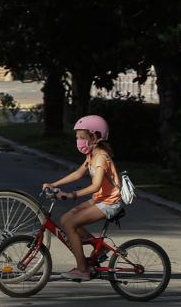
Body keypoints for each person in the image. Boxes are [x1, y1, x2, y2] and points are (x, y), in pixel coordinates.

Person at [42, 115, 123, 281]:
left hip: (110, 202)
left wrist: (71, 195)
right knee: (65, 219)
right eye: (77, 137)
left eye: (81, 137)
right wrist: (53, 183)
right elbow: (78, 174)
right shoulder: (92, 155)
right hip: (101, 199)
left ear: (95, 137)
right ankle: (98, 248)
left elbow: (95, 186)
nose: (78, 141)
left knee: (71, 224)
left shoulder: (101, 158)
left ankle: (83, 269)